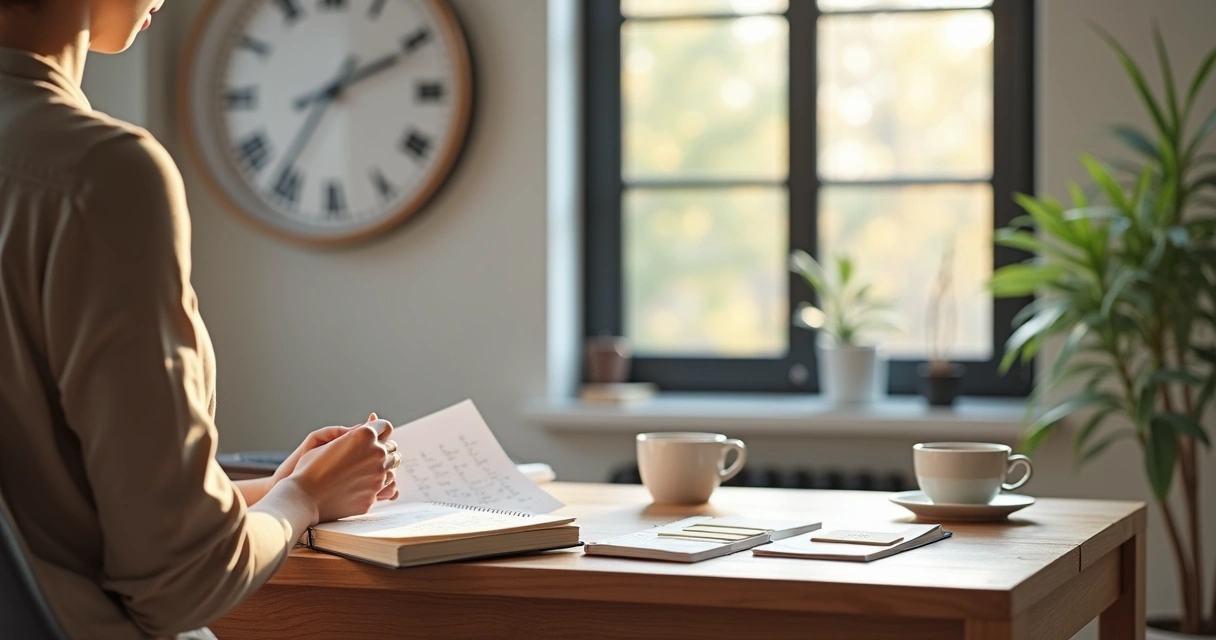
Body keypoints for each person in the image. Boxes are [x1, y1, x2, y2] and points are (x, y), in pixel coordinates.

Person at [0, 0, 403, 638]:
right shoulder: (99, 173)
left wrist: (273, 488)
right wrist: (303, 501)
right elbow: (182, 584)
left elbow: (52, 517)